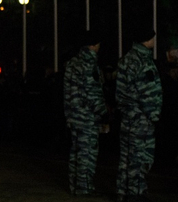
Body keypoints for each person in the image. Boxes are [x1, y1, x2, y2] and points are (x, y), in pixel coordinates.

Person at [115, 28, 162, 202]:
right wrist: (154, 115)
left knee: (126, 157)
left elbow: (120, 92)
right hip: (142, 119)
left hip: (128, 116)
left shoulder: (126, 60)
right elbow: (148, 93)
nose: (154, 41)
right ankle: (136, 193)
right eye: (153, 38)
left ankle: (123, 191)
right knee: (141, 157)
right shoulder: (144, 61)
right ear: (147, 40)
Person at [63, 30, 107, 197]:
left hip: (74, 115)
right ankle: (84, 187)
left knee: (76, 152)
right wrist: (103, 112)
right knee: (87, 153)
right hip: (87, 117)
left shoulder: (73, 63)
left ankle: (75, 185)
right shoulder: (90, 64)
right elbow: (92, 92)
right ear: (93, 45)